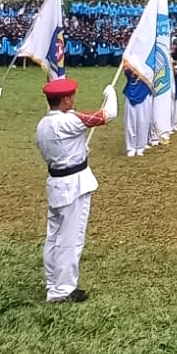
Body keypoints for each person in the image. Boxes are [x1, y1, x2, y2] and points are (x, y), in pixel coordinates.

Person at [36, 76, 115, 303]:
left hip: (57, 181)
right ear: (66, 100)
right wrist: (110, 95)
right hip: (73, 184)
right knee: (71, 238)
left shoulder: (43, 124)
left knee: (54, 237)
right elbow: (106, 116)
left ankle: (54, 283)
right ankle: (63, 289)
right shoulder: (67, 121)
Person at [122, 69, 151, 156]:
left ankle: (140, 147)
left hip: (144, 91)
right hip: (131, 92)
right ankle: (131, 147)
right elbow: (126, 72)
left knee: (142, 121)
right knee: (130, 122)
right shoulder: (131, 58)